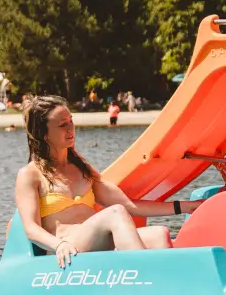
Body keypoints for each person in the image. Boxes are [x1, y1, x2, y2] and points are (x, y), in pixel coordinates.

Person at [14, 96, 203, 269]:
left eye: (71, 121)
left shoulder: (82, 167)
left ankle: (170, 285)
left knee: (159, 234)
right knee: (115, 213)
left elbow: (130, 206)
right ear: (44, 134)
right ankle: (146, 277)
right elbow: (31, 228)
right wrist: (59, 245)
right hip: (66, 244)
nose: (71, 128)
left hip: (96, 241)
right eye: (63, 125)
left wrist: (186, 207)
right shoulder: (30, 175)